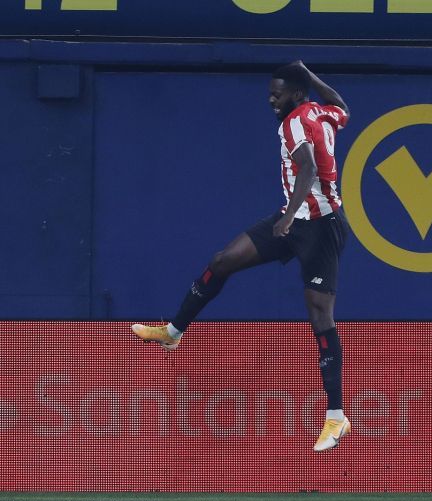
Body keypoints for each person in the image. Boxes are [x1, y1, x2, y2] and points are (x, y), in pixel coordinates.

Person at [131, 60, 351, 452]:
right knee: (223, 261)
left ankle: (336, 418)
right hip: (295, 217)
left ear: (296, 95)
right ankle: (174, 333)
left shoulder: (294, 122)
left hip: (319, 226)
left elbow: (307, 168)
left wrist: (285, 218)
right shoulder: (319, 110)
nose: (271, 98)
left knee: (320, 314)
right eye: (270, 91)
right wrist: (309, 74)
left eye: (278, 92)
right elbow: (342, 106)